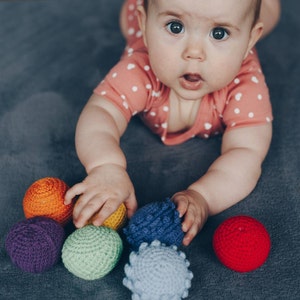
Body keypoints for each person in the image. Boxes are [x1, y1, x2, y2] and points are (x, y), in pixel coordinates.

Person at [65, 0, 281, 246]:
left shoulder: (246, 85)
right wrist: (105, 165)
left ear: (248, 43)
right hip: (141, 15)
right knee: (129, 18)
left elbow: (246, 153)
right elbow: (101, 113)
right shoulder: (141, 67)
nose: (194, 52)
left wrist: (203, 196)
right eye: (175, 27)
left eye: (219, 33)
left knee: (266, 10)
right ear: (146, 25)